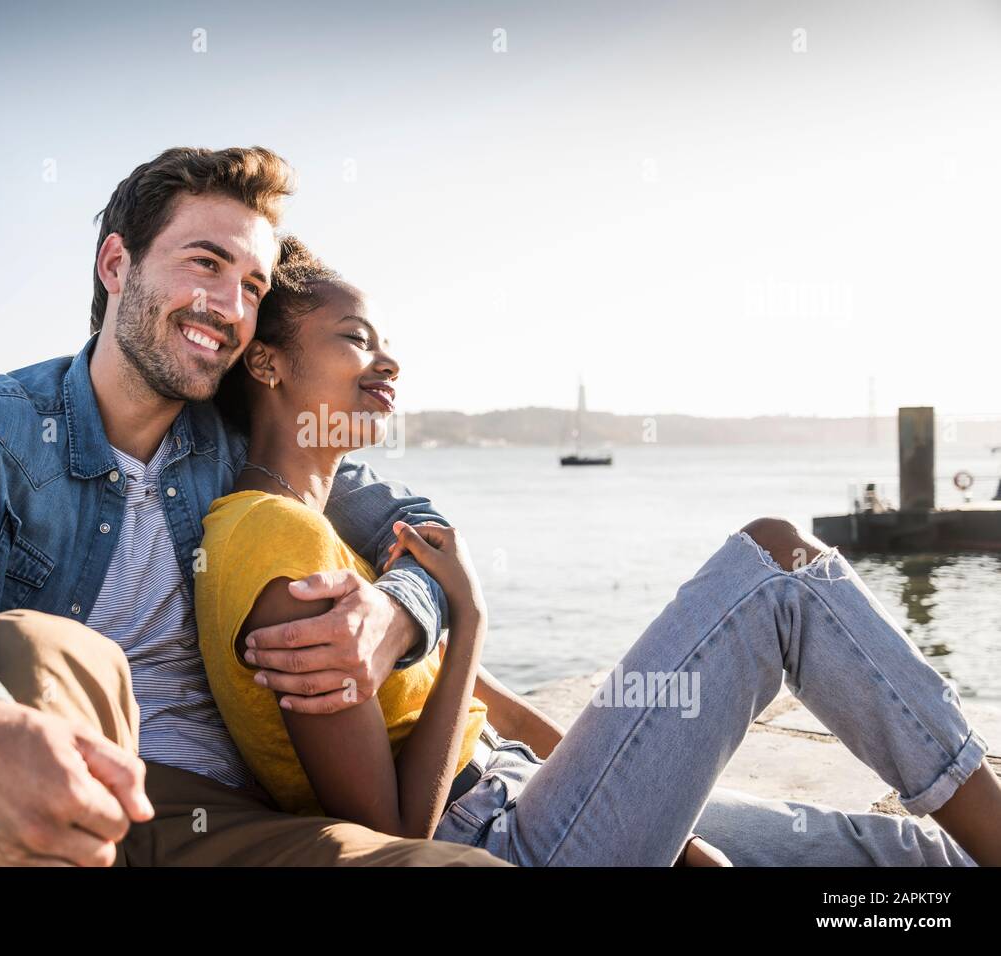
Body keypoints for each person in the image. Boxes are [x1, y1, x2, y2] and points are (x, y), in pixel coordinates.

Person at [194, 237, 1001, 866]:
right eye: (356, 339)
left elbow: (482, 703)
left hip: (534, 794)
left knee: (910, 858)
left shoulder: (341, 528)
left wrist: (637, 810)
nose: (390, 361)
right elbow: (395, 841)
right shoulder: (273, 535)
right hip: (494, 847)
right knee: (776, 565)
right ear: (266, 363)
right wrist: (469, 616)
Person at [0, 146, 509, 867]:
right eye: (206, 264)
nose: (230, 308)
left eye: (252, 285)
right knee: (38, 645)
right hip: (45, 788)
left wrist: (400, 613)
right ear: (116, 265)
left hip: (221, 822)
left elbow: (416, 525)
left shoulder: (244, 444)